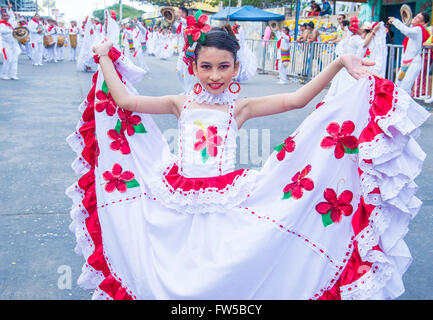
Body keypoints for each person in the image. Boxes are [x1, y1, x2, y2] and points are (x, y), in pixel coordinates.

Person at [67, 9, 429, 300]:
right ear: (192, 67)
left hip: (229, 196)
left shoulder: (239, 108)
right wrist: (104, 60)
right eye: (206, 67)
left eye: (224, 67)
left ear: (237, 68)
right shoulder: (180, 103)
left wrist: (338, 64)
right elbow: (127, 101)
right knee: (179, 263)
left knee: (226, 264)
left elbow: (298, 99)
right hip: (176, 196)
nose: (214, 76)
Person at [388, 12, 430, 94]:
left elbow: (406, 30)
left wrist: (395, 21)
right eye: (415, 16)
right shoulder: (415, 29)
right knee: (398, 86)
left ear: (422, 23)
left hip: (413, 63)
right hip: (406, 64)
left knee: (404, 88)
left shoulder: (418, 29)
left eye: (418, 18)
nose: (414, 18)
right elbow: (408, 29)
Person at [0, 3, 21, 80]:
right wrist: (12, 31)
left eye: (7, 15)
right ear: (2, 17)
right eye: (4, 16)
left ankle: (13, 74)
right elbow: (3, 31)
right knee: (7, 59)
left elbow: (12, 15)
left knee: (15, 59)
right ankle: (4, 74)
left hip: (14, 43)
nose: (6, 17)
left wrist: (9, 8)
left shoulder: (11, 22)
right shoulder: (1, 24)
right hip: (5, 44)